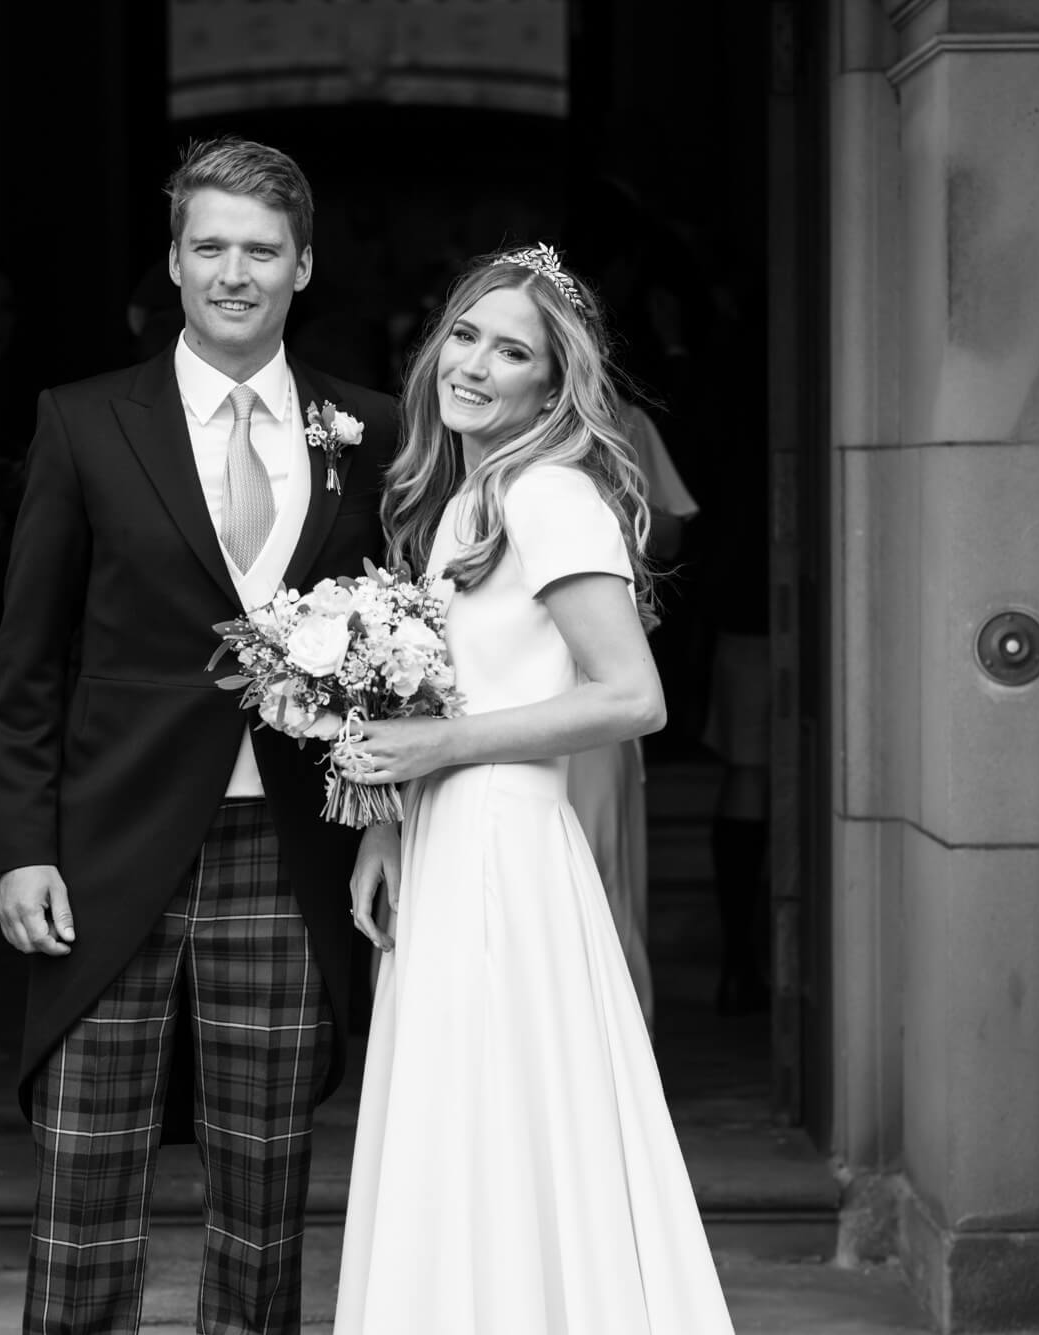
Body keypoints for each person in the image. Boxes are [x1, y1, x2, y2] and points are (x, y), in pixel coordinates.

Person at [0, 137, 399, 1335]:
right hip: (106, 850)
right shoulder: (82, 423)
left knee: (263, 1194)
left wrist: (381, 823)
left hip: (290, 848)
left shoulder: (368, 431)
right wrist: (21, 847)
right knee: (85, 1175)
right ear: (172, 262)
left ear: (301, 266)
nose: (232, 273)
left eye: (260, 250)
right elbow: (26, 666)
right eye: (208, 246)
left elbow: (400, 652)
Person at [334, 246, 735, 1333]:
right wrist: (385, 826)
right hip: (446, 839)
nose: (474, 364)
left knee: (499, 1122)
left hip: (503, 851)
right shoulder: (466, 497)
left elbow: (633, 697)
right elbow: (454, 689)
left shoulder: (548, 493)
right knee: (460, 1128)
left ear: (553, 386)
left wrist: (440, 746)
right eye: (464, 335)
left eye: (511, 352)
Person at [567, 401, 697, 1030]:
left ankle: (610, 1045)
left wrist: (611, 518)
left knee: (597, 885)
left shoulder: (625, 422)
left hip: (589, 702)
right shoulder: (447, 443)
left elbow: (670, 531)